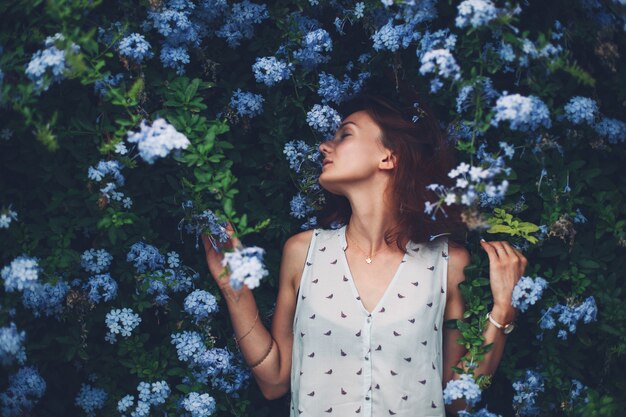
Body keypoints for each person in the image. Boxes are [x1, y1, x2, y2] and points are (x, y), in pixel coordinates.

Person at [202, 92, 527, 416]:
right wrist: (235, 289)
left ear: (389, 156)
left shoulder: (447, 264)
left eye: (345, 134)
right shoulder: (303, 252)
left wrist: (503, 311)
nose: (324, 146)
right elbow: (274, 381)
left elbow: (457, 399)